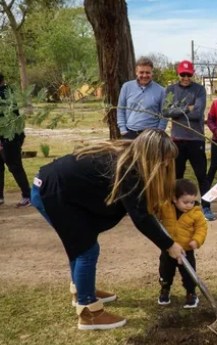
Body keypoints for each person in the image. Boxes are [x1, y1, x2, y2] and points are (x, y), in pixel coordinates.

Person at [30, 129, 185, 331]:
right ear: (151, 154)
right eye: (164, 159)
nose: (166, 164)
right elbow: (140, 217)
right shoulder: (130, 170)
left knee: (81, 244)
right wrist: (169, 245)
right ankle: (88, 312)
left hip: (59, 188)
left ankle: (82, 290)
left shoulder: (132, 148)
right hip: (51, 192)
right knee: (85, 249)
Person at [163, 60, 216, 221]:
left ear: (193, 74)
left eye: (189, 74)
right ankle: (175, 207)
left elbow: (197, 114)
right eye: (183, 74)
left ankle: (206, 207)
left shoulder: (199, 90)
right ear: (178, 74)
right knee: (176, 176)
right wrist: (187, 108)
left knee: (202, 175)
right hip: (177, 140)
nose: (186, 77)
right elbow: (165, 111)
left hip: (196, 139)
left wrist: (177, 111)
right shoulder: (170, 90)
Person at [157, 179, 207, 308]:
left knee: (189, 274)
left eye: (192, 202)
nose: (189, 205)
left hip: (186, 251)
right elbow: (155, 217)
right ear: (174, 199)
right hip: (168, 249)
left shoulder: (196, 213)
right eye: (185, 202)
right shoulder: (165, 207)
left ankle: (191, 294)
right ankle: (165, 290)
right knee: (165, 272)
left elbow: (201, 228)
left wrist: (197, 240)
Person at [0, 72, 31, 207]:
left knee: (14, 166)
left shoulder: (5, 94)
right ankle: (0, 197)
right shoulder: (8, 91)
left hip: (8, 137)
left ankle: (27, 196)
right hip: (8, 136)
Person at [117, 57, 167, 139]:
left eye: (148, 72)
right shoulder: (126, 87)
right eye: (141, 72)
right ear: (136, 72)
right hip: (130, 133)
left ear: (152, 73)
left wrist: (160, 131)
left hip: (151, 135)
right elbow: (120, 109)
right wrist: (123, 129)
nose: (144, 75)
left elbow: (164, 115)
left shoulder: (161, 90)